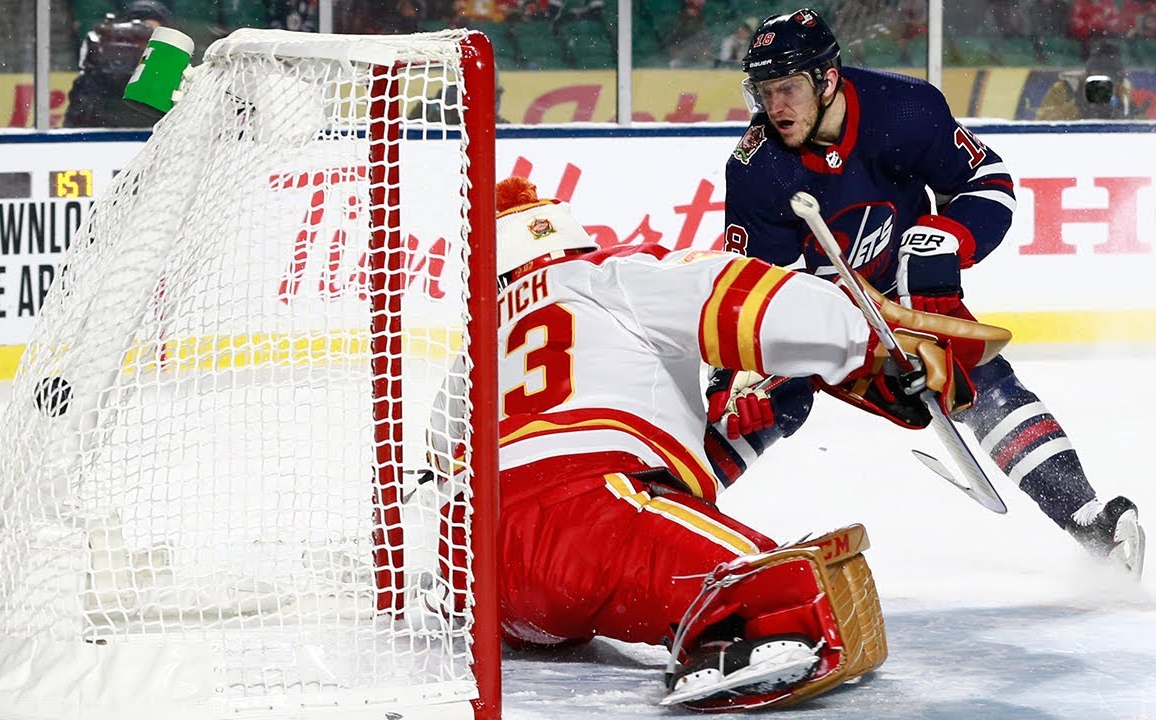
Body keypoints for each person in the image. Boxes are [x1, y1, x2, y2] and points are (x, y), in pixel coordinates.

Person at [428, 175, 1014, 710]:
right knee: (795, 595)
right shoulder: (609, 274)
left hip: (475, 565)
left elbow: (435, 457)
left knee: (569, 573)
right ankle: (738, 634)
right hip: (596, 514)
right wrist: (869, 340)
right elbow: (740, 299)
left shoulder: (477, 344)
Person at [713, 8, 1145, 576]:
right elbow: (753, 290)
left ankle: (1088, 520)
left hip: (907, 293)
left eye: (789, 88)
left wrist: (949, 239)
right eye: (765, 92)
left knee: (973, 372)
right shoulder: (756, 167)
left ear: (828, 78)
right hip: (817, 305)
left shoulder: (906, 108)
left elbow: (987, 182)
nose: (776, 107)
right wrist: (737, 373)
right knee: (764, 401)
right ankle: (658, 509)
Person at [64, 0, 173, 129]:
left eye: (151, 35)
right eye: (136, 35)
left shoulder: (171, 75)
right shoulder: (102, 74)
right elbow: (78, 126)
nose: (145, 44)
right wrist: (97, 69)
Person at [1035, 40, 1144, 120]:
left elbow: (1142, 133)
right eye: (1096, 77)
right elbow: (1041, 122)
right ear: (1089, 73)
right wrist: (1076, 106)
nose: (1101, 86)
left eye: (1108, 80)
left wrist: (1130, 116)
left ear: (1117, 79)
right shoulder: (1067, 88)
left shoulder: (1124, 92)